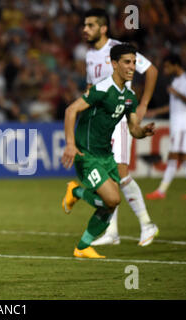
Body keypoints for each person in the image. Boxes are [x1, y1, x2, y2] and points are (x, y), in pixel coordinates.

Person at [61, 44, 155, 258]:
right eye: (127, 62)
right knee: (112, 199)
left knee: (111, 204)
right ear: (114, 64)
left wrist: (143, 131)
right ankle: (76, 191)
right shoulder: (102, 89)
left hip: (106, 156)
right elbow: (71, 110)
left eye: (134, 62)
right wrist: (70, 145)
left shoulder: (130, 96)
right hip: (87, 155)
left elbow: (133, 129)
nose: (132, 66)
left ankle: (82, 247)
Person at [82, 8, 159, 247]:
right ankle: (112, 232)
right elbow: (90, 88)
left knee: (121, 173)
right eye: (84, 25)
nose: (85, 29)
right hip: (99, 124)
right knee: (108, 177)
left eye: (90, 25)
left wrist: (143, 104)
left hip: (118, 118)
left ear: (103, 28)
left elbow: (152, 70)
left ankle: (147, 224)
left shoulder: (119, 49)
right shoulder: (89, 56)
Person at [146, 54, 186, 200]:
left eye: (167, 66)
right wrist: (155, 112)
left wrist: (176, 93)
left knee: (174, 156)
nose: (165, 69)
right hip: (177, 124)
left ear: (175, 65)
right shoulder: (176, 81)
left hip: (184, 124)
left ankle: (161, 191)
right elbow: (172, 106)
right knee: (183, 157)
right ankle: (161, 191)